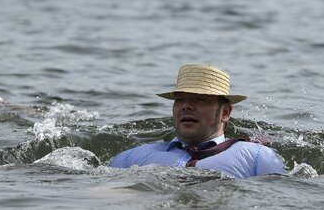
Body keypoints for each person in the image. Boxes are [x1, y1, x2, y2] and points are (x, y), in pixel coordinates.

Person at [110, 63, 287, 178]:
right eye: (180, 100)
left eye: (200, 99)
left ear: (225, 112)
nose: (186, 106)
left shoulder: (256, 158)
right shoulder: (133, 157)